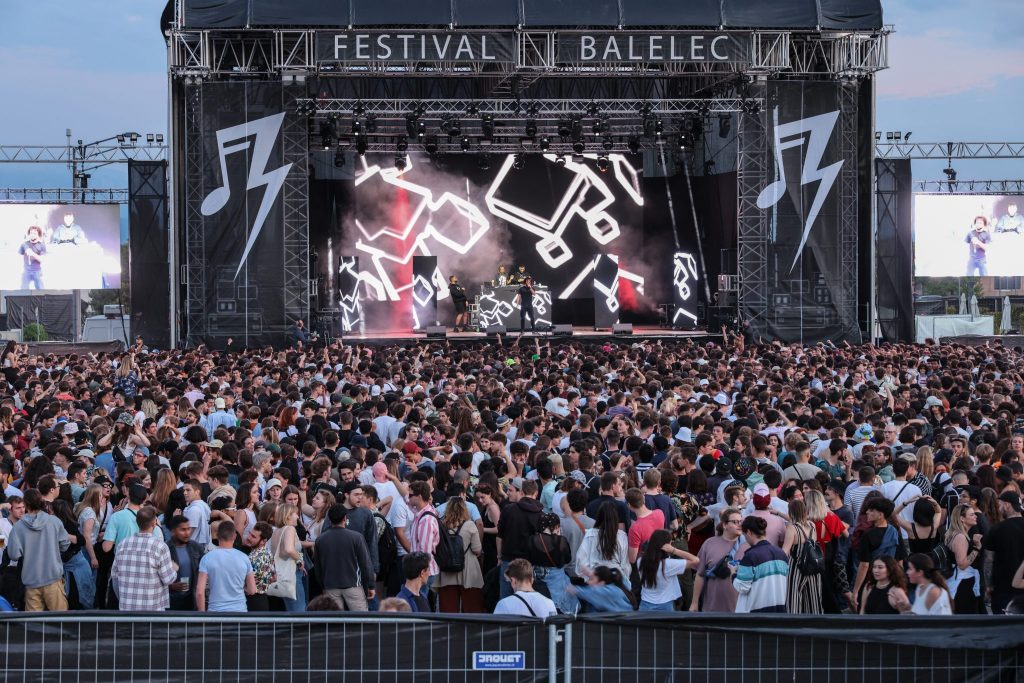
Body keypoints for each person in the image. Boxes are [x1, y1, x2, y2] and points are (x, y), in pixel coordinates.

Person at [5, 489, 70, 611]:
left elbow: (14, 555)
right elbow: (65, 545)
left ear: (26, 505)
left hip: (31, 581)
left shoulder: (18, 527)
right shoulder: (54, 521)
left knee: (33, 625)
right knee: (61, 622)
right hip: (53, 578)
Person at [111, 506, 177, 611]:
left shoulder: (123, 544)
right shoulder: (160, 546)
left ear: (137, 522)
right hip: (152, 611)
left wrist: (123, 599)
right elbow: (168, 579)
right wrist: (174, 569)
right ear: (154, 522)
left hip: (127, 609)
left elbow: (115, 577)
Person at [314, 504, 375, 611]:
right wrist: (370, 585)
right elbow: (365, 564)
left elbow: (318, 567)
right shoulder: (356, 537)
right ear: (344, 518)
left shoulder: (320, 540)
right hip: (353, 585)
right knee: (360, 622)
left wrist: (323, 585)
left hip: (330, 586)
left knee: (335, 623)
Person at [690, 508, 746, 613]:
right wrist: (694, 603)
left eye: (741, 522)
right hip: (712, 608)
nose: (740, 525)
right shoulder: (709, 543)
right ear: (724, 525)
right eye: (735, 522)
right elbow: (700, 575)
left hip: (739, 610)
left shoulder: (747, 545)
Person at [437, 496, 484, 613]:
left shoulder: (441, 525)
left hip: (446, 569)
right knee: (472, 606)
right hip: (468, 570)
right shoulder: (470, 525)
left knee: (448, 607)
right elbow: (477, 549)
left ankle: (449, 630)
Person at [733, 516, 789, 613]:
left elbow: (743, 587)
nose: (745, 539)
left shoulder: (750, 556)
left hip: (757, 614)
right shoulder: (781, 554)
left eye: (744, 535)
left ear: (749, 532)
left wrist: (733, 573)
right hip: (780, 611)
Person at [196, 522, 255, 612]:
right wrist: (239, 588)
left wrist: (202, 615)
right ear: (234, 536)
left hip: (215, 612)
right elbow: (252, 590)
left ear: (217, 535)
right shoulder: (244, 558)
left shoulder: (207, 558)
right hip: (240, 612)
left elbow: (200, 592)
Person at [983, 491, 1024, 614]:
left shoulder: (996, 529)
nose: (999, 508)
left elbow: (988, 560)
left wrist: (988, 585)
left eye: (1000, 505)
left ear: (1007, 505)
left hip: (1002, 589)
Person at [637, 528, 698, 611]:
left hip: (645, 605)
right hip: (665, 606)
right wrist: (674, 550)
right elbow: (695, 560)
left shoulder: (640, 561)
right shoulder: (668, 565)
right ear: (667, 546)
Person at [782, 499, 822, 614]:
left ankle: (793, 626)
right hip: (813, 567)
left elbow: (785, 551)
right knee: (813, 600)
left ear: (791, 512)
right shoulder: (812, 526)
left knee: (793, 600)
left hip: (796, 568)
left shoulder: (792, 528)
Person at [944, 504, 984, 614]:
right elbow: (962, 564)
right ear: (962, 518)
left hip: (958, 581)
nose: (975, 516)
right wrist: (977, 548)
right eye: (971, 514)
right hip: (962, 584)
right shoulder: (961, 537)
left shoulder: (952, 533)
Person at [166, 515, 205, 611]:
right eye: (183, 530)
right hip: (171, 600)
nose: (187, 533)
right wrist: (171, 586)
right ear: (173, 531)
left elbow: (204, 573)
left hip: (191, 599)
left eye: (188, 529)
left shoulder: (196, 547)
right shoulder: (165, 549)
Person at [569, 565, 636, 612]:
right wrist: (591, 574)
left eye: (591, 579)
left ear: (601, 583)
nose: (588, 582)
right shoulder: (618, 583)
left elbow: (587, 592)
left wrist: (569, 588)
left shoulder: (607, 592)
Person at [18, 225, 47, 290]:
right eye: (31, 233)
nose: (32, 235)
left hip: (37, 271)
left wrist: (33, 254)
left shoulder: (41, 245)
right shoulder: (24, 244)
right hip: (26, 271)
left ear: (38, 235)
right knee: (23, 291)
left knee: (41, 291)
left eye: (34, 233)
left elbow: (42, 259)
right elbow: (18, 257)